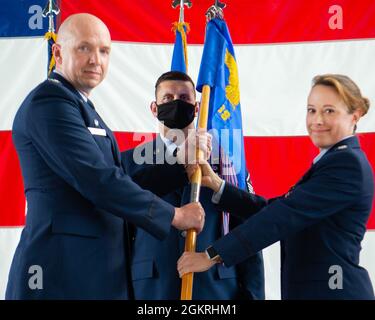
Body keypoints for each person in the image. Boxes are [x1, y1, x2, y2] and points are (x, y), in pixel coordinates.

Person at [6, 13, 205, 300]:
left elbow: (118, 170)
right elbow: (98, 179)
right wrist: (174, 215)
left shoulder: (81, 106)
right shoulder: (49, 102)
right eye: (84, 48)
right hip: (61, 275)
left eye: (104, 51)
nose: (95, 60)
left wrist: (180, 164)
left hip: (92, 273)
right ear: (58, 53)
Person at [178, 74, 375, 300]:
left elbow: (282, 216)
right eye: (312, 110)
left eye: (329, 111)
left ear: (355, 115)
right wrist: (217, 185)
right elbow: (279, 209)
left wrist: (211, 255)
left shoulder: (346, 164)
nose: (317, 120)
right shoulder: (332, 161)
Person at [122, 71, 265, 299]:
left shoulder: (226, 161)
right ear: (154, 107)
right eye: (168, 98)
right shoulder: (129, 162)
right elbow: (118, 234)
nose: (177, 103)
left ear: (197, 108)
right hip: (150, 291)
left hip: (217, 291)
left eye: (185, 98)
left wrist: (253, 295)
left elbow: (249, 229)